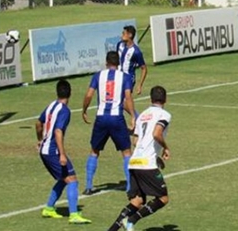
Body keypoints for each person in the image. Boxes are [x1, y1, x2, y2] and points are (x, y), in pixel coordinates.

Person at [107, 86, 171, 231]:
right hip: (146, 164)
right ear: (165, 99)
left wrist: (155, 156)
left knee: (137, 201)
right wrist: (166, 148)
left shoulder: (142, 115)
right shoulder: (164, 115)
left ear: (151, 99)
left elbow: (135, 141)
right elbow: (157, 133)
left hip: (134, 161)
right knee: (163, 198)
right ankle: (131, 220)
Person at [36, 79, 91, 224]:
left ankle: (49, 208)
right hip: (53, 152)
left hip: (44, 150)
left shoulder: (51, 106)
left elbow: (38, 123)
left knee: (63, 178)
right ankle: (73, 215)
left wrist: (39, 139)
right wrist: (62, 154)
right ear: (70, 93)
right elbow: (58, 131)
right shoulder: (65, 111)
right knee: (72, 180)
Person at [82, 51, 136, 195]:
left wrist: (84, 110)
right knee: (126, 152)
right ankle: (130, 186)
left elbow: (88, 95)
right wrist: (132, 115)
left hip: (101, 118)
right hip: (117, 118)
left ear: (106, 62)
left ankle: (88, 186)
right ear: (118, 63)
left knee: (94, 151)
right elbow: (128, 98)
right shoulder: (125, 77)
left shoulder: (98, 76)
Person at [117, 26, 147, 96]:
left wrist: (140, 85)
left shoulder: (136, 52)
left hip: (128, 79)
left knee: (124, 99)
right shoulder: (119, 45)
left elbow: (144, 68)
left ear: (130, 35)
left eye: (124, 34)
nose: (121, 36)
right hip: (118, 77)